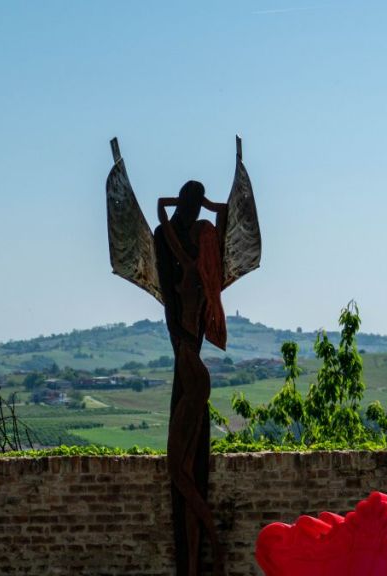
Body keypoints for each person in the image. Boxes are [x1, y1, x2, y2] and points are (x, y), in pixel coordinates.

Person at [153, 181, 227, 576]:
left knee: (180, 471)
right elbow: (173, 223)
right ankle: (206, 550)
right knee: (181, 471)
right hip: (188, 359)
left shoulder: (190, 265)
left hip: (190, 363)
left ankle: (207, 547)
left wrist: (173, 203)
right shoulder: (196, 265)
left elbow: (167, 227)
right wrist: (207, 205)